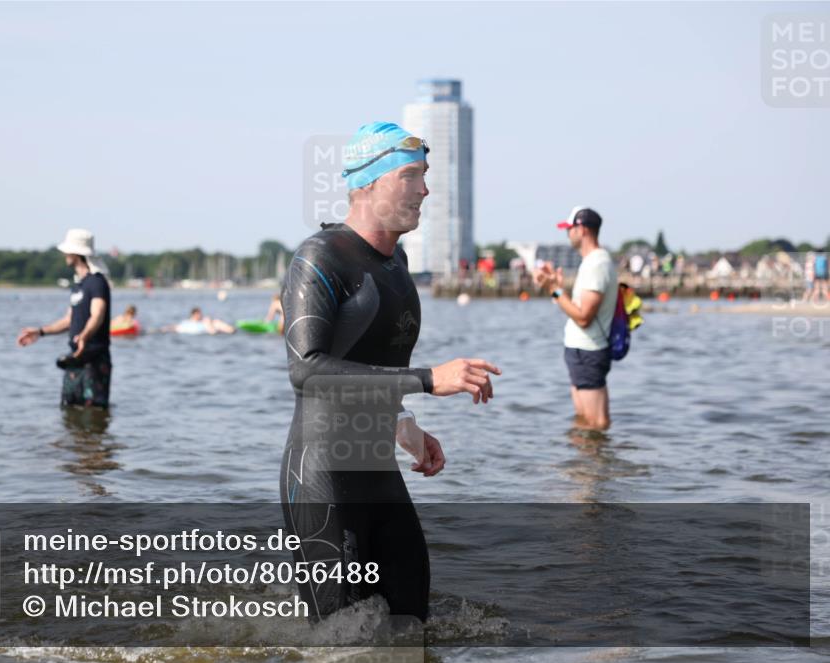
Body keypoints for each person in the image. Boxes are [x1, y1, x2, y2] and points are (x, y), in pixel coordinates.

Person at [280, 122, 500, 624]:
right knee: (339, 647)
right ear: (369, 182)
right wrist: (427, 380)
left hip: (378, 471)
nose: (425, 190)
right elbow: (307, 371)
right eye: (411, 176)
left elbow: (370, 356)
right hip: (324, 477)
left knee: (412, 630)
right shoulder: (319, 258)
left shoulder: (396, 264)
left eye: (425, 176)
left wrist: (404, 424)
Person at [534, 206, 618, 431]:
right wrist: (556, 289)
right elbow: (578, 309)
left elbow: (583, 317)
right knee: (583, 421)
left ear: (582, 230)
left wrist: (554, 289)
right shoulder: (591, 262)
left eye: (569, 229)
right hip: (580, 351)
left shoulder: (597, 264)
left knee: (597, 423)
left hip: (589, 352)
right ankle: (582, 466)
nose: (567, 234)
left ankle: (597, 465)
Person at [17, 229, 112, 408]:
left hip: (94, 360)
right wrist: (40, 332)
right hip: (74, 360)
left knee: (94, 413)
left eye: (67, 250)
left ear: (76, 253)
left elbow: (98, 314)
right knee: (69, 412)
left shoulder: (97, 282)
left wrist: (84, 335)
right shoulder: (78, 285)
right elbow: (69, 320)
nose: (64, 254)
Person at [161, 307, 235, 335]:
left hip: (209, 329)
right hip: (203, 330)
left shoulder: (204, 321)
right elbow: (176, 327)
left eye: (200, 313)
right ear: (194, 314)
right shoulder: (187, 322)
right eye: (198, 314)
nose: (200, 315)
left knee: (216, 322)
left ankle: (232, 330)